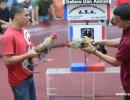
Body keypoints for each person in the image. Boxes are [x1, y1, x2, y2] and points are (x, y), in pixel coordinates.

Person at [81, 3, 130, 100]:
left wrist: (94, 51)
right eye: (113, 18)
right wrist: (103, 42)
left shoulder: (127, 43)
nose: (113, 22)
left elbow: (116, 62)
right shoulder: (127, 29)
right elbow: (122, 40)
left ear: (127, 22)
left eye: (117, 21)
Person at [1, 3, 42, 100]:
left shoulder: (24, 31)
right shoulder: (8, 36)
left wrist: (44, 47)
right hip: (18, 80)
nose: (29, 18)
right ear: (17, 16)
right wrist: (28, 55)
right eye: (26, 15)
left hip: (29, 75)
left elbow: (31, 48)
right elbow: (7, 60)